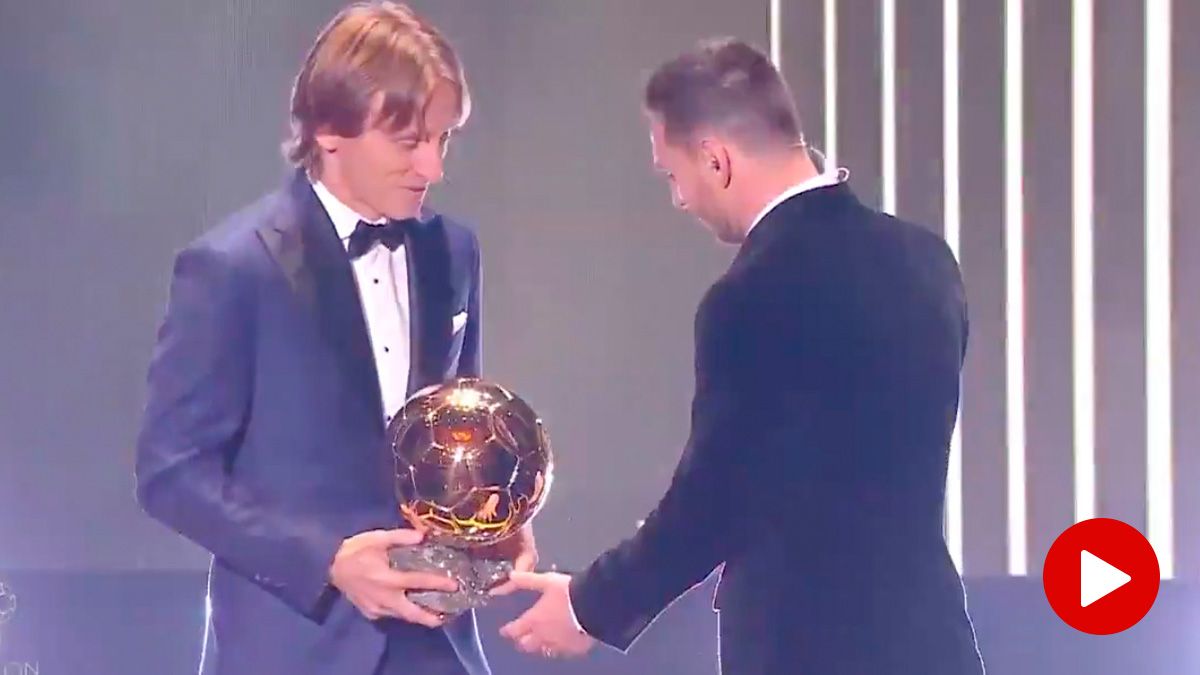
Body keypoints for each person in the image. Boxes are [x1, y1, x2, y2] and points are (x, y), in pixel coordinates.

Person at [495, 38, 985, 675]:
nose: (680, 199)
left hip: (808, 654)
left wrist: (589, 606)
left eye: (673, 176)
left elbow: (715, 499)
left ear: (715, 159)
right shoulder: (927, 262)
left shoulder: (752, 294)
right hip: (935, 645)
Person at [134, 3, 535, 674]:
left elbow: (452, 436)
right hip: (295, 648)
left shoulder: (453, 252)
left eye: (444, 139)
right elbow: (171, 473)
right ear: (329, 130)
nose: (433, 166)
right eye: (409, 141)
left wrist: (492, 518)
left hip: (434, 647)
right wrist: (327, 559)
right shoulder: (234, 268)